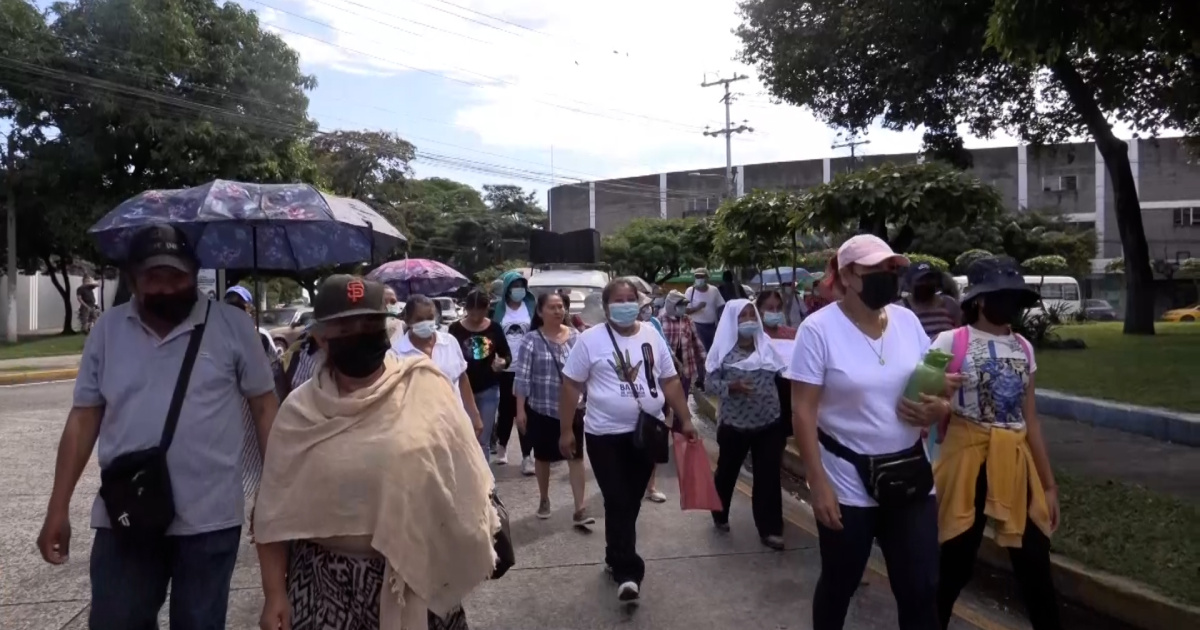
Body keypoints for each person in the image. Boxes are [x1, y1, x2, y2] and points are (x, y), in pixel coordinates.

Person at [37, 224, 279, 630]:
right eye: (154, 277)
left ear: (194, 273)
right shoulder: (108, 331)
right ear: (133, 278)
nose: (167, 288)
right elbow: (83, 419)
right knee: (117, 621)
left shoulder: (233, 329)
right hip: (126, 516)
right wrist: (57, 506)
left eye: (177, 276)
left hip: (210, 521)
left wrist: (273, 497)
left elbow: (265, 412)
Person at [253, 275, 496, 630]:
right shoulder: (298, 412)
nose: (362, 333)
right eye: (347, 326)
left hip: (420, 575)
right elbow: (273, 513)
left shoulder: (425, 386)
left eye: (370, 323)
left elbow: (465, 478)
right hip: (324, 586)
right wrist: (274, 593)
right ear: (321, 336)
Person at [787, 234, 958, 630]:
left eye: (892, 269)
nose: (888, 277)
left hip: (910, 471)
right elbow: (802, 410)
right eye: (876, 270)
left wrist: (939, 406)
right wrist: (817, 483)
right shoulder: (818, 330)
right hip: (846, 479)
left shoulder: (907, 321)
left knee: (921, 586)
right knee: (840, 581)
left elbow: (928, 384)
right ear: (847, 275)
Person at [932, 257, 1062, 630]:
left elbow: (1030, 419)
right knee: (956, 559)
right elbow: (915, 397)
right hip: (966, 459)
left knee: (1034, 561)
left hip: (1014, 459)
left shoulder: (1023, 347)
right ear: (980, 300)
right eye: (1000, 296)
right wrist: (941, 390)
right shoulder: (950, 341)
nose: (1009, 306)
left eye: (1015, 298)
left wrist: (1048, 485)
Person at [557, 278, 699, 603]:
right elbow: (570, 386)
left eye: (630, 298)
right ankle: (628, 571)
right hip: (604, 436)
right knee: (619, 498)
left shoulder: (651, 334)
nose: (625, 304)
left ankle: (613, 556)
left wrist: (686, 419)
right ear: (606, 307)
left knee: (629, 501)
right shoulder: (590, 341)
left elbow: (670, 379)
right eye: (618, 299)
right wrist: (566, 430)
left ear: (639, 302)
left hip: (645, 434)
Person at [705, 298, 790, 550]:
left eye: (752, 316)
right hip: (735, 425)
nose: (749, 321)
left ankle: (771, 529)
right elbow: (709, 384)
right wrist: (731, 387)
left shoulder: (767, 348)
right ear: (732, 321)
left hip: (769, 422)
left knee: (768, 476)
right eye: (742, 317)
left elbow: (783, 377)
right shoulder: (722, 352)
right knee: (727, 472)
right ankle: (719, 512)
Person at [514, 292, 594, 527]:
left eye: (561, 307)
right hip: (542, 409)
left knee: (576, 457)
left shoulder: (577, 337)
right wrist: (521, 410)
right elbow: (522, 378)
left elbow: (587, 372)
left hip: (573, 409)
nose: (558, 311)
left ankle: (580, 508)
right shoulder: (531, 340)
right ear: (540, 312)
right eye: (552, 307)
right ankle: (544, 498)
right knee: (543, 458)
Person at [393, 295, 484, 438]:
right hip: (418, 430)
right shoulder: (397, 353)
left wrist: (474, 415)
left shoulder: (450, 342)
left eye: (429, 317)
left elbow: (462, 379)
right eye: (419, 319)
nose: (426, 323)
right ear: (408, 320)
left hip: (454, 423)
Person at [449, 289, 512, 462]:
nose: (476, 314)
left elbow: (506, 354)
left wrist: (503, 363)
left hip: (488, 389)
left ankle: (486, 483)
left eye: (480, 310)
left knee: (482, 438)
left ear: (487, 309)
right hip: (462, 390)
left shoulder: (494, 328)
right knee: (465, 437)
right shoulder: (455, 329)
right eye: (472, 310)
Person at [492, 271, 536, 473]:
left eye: (521, 285)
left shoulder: (530, 307)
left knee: (525, 411)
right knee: (507, 410)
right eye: (515, 285)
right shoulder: (499, 310)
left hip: (527, 367)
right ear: (508, 289)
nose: (518, 289)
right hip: (505, 368)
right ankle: (502, 444)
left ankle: (527, 456)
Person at [758, 289, 798, 447]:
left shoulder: (792, 334)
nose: (775, 312)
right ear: (759, 309)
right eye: (769, 308)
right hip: (763, 399)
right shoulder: (755, 336)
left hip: (788, 395)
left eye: (778, 308)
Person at [899, 262, 961, 339]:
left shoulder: (948, 304)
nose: (925, 283)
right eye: (920, 280)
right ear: (909, 283)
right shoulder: (900, 308)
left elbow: (962, 333)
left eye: (929, 279)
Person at [224, 285, 277, 356]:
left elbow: (274, 363)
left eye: (240, 308)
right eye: (230, 307)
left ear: (250, 312)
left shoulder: (262, 337)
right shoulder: (218, 337)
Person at [685, 267, 724, 352]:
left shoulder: (714, 290)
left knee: (712, 350)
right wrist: (697, 307)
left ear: (707, 278)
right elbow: (685, 310)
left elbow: (721, 306)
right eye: (697, 277)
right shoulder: (690, 291)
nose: (699, 279)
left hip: (711, 326)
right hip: (696, 325)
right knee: (700, 350)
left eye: (701, 277)